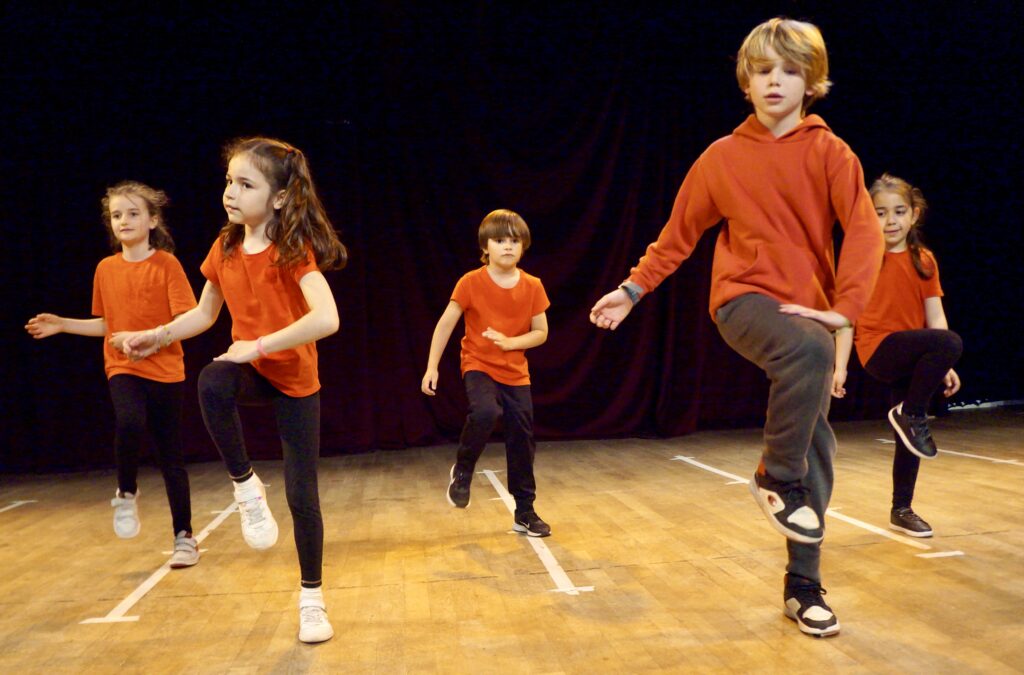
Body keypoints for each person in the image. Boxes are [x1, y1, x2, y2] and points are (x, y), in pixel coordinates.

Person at [590, 18, 884, 636]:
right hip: (742, 302)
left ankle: (803, 585)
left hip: (808, 311)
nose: (775, 81)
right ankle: (774, 478)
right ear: (745, 82)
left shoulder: (832, 154)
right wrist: (631, 289)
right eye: (762, 70)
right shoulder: (720, 159)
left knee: (818, 442)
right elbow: (677, 238)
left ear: (812, 83)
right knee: (805, 357)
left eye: (790, 70)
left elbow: (863, 230)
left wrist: (845, 308)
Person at [120, 138, 346, 643]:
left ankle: (312, 599)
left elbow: (327, 319)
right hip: (252, 369)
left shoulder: (293, 250)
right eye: (229, 181)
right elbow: (204, 314)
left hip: (295, 382)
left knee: (302, 495)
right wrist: (154, 336)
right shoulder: (224, 247)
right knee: (211, 381)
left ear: (280, 198)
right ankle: (245, 485)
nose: (231, 192)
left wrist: (259, 345)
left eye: (246, 184)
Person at [25, 181, 199, 568]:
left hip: (167, 368)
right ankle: (126, 492)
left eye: (134, 213)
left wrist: (152, 340)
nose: (124, 220)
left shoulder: (167, 264)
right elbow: (108, 324)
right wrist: (64, 325)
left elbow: (187, 316)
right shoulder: (105, 268)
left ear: (153, 220)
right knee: (129, 420)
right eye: (117, 215)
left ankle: (184, 537)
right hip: (123, 366)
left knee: (171, 455)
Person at [831, 173, 962, 537]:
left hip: (914, 355)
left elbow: (934, 316)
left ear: (914, 214)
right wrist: (839, 367)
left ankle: (901, 508)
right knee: (949, 344)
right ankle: (911, 413)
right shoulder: (861, 258)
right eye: (880, 213)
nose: (890, 221)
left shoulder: (924, 260)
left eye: (898, 211)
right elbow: (846, 317)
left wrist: (943, 365)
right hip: (878, 351)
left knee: (910, 437)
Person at [421, 209, 552, 537]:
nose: (507, 246)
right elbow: (446, 323)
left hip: (515, 372)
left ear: (523, 246)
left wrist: (511, 342)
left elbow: (541, 332)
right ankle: (463, 471)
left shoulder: (533, 286)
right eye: (499, 240)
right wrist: (432, 366)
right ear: (486, 246)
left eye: (514, 240)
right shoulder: (470, 282)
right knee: (485, 411)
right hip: (478, 364)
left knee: (522, 438)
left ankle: (524, 511)